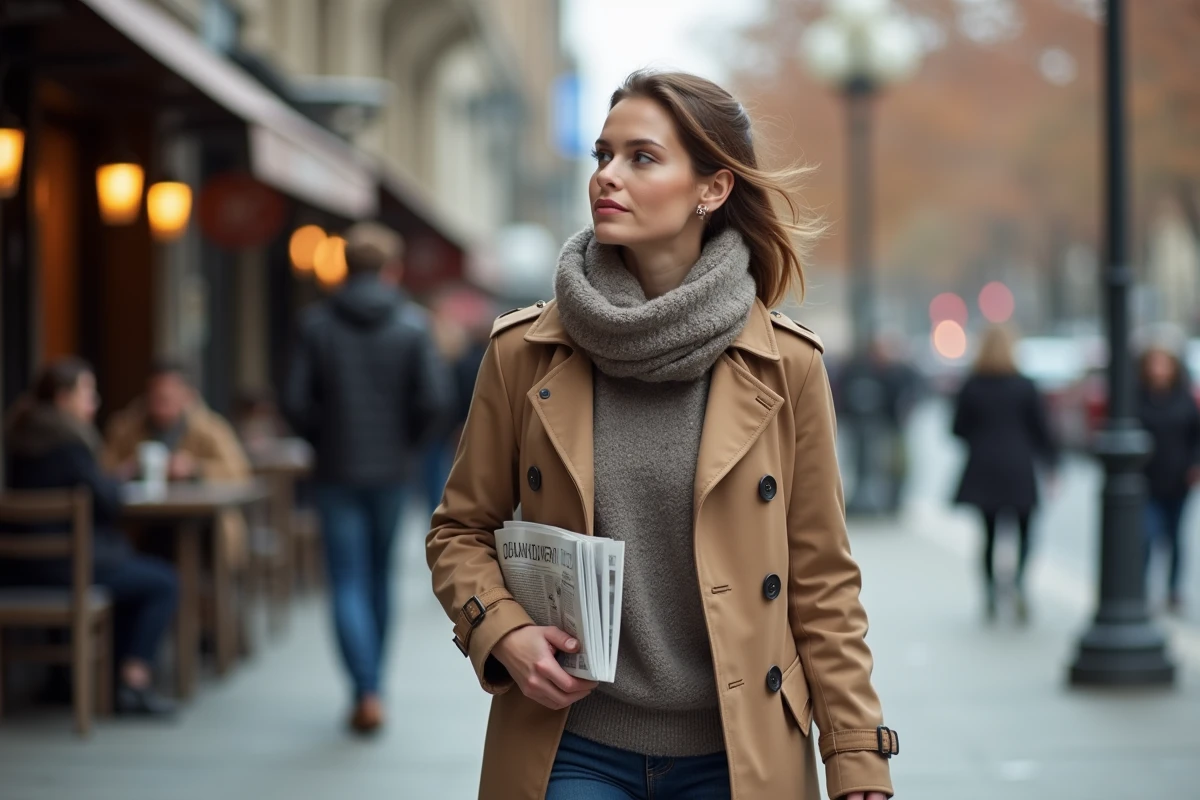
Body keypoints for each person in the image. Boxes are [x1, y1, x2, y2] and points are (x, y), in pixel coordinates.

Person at [427, 71, 895, 800]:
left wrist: (857, 752)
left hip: (736, 753)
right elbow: (459, 530)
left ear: (712, 188)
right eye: (602, 155)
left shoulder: (787, 366)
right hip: (572, 742)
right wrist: (503, 631)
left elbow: (822, 582)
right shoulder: (524, 352)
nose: (607, 176)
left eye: (641, 157)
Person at [282, 221, 451, 735]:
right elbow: (435, 400)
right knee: (379, 577)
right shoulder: (413, 326)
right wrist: (406, 444)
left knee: (346, 579)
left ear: (344, 265)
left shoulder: (316, 324)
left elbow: (294, 401)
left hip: (335, 470)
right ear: (391, 269)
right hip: (391, 472)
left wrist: (323, 438)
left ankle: (365, 688)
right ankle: (373, 687)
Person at [3, 358, 178, 716]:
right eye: (87, 394)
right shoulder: (69, 443)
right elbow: (107, 502)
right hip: (68, 569)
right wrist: (119, 479)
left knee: (129, 570)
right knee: (163, 582)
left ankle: (64, 680)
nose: (94, 403)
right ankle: (132, 683)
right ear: (63, 398)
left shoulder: (20, 440)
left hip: (18, 569)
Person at [952, 325, 1058, 622]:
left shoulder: (972, 385)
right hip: (1018, 466)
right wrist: (1052, 464)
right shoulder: (1025, 386)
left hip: (984, 466)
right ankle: (1019, 582)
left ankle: (990, 593)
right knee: (1025, 532)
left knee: (988, 535)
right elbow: (1041, 430)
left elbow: (957, 429)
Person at [102, 360, 252, 568]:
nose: (159, 404)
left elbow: (239, 471)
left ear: (186, 396)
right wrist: (129, 469)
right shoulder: (126, 428)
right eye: (154, 397)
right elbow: (102, 473)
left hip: (203, 523)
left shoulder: (209, 427)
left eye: (167, 397)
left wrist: (195, 469)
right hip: (144, 523)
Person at [1136, 342, 1200, 614]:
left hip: (1178, 480)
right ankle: (1140, 589)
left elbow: (1196, 435)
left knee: (1174, 537)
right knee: (1147, 535)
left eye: (1164, 364)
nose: (1159, 370)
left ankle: (1173, 591)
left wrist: (1195, 464)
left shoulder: (1184, 397)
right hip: (1146, 479)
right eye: (1154, 363)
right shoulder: (1138, 397)